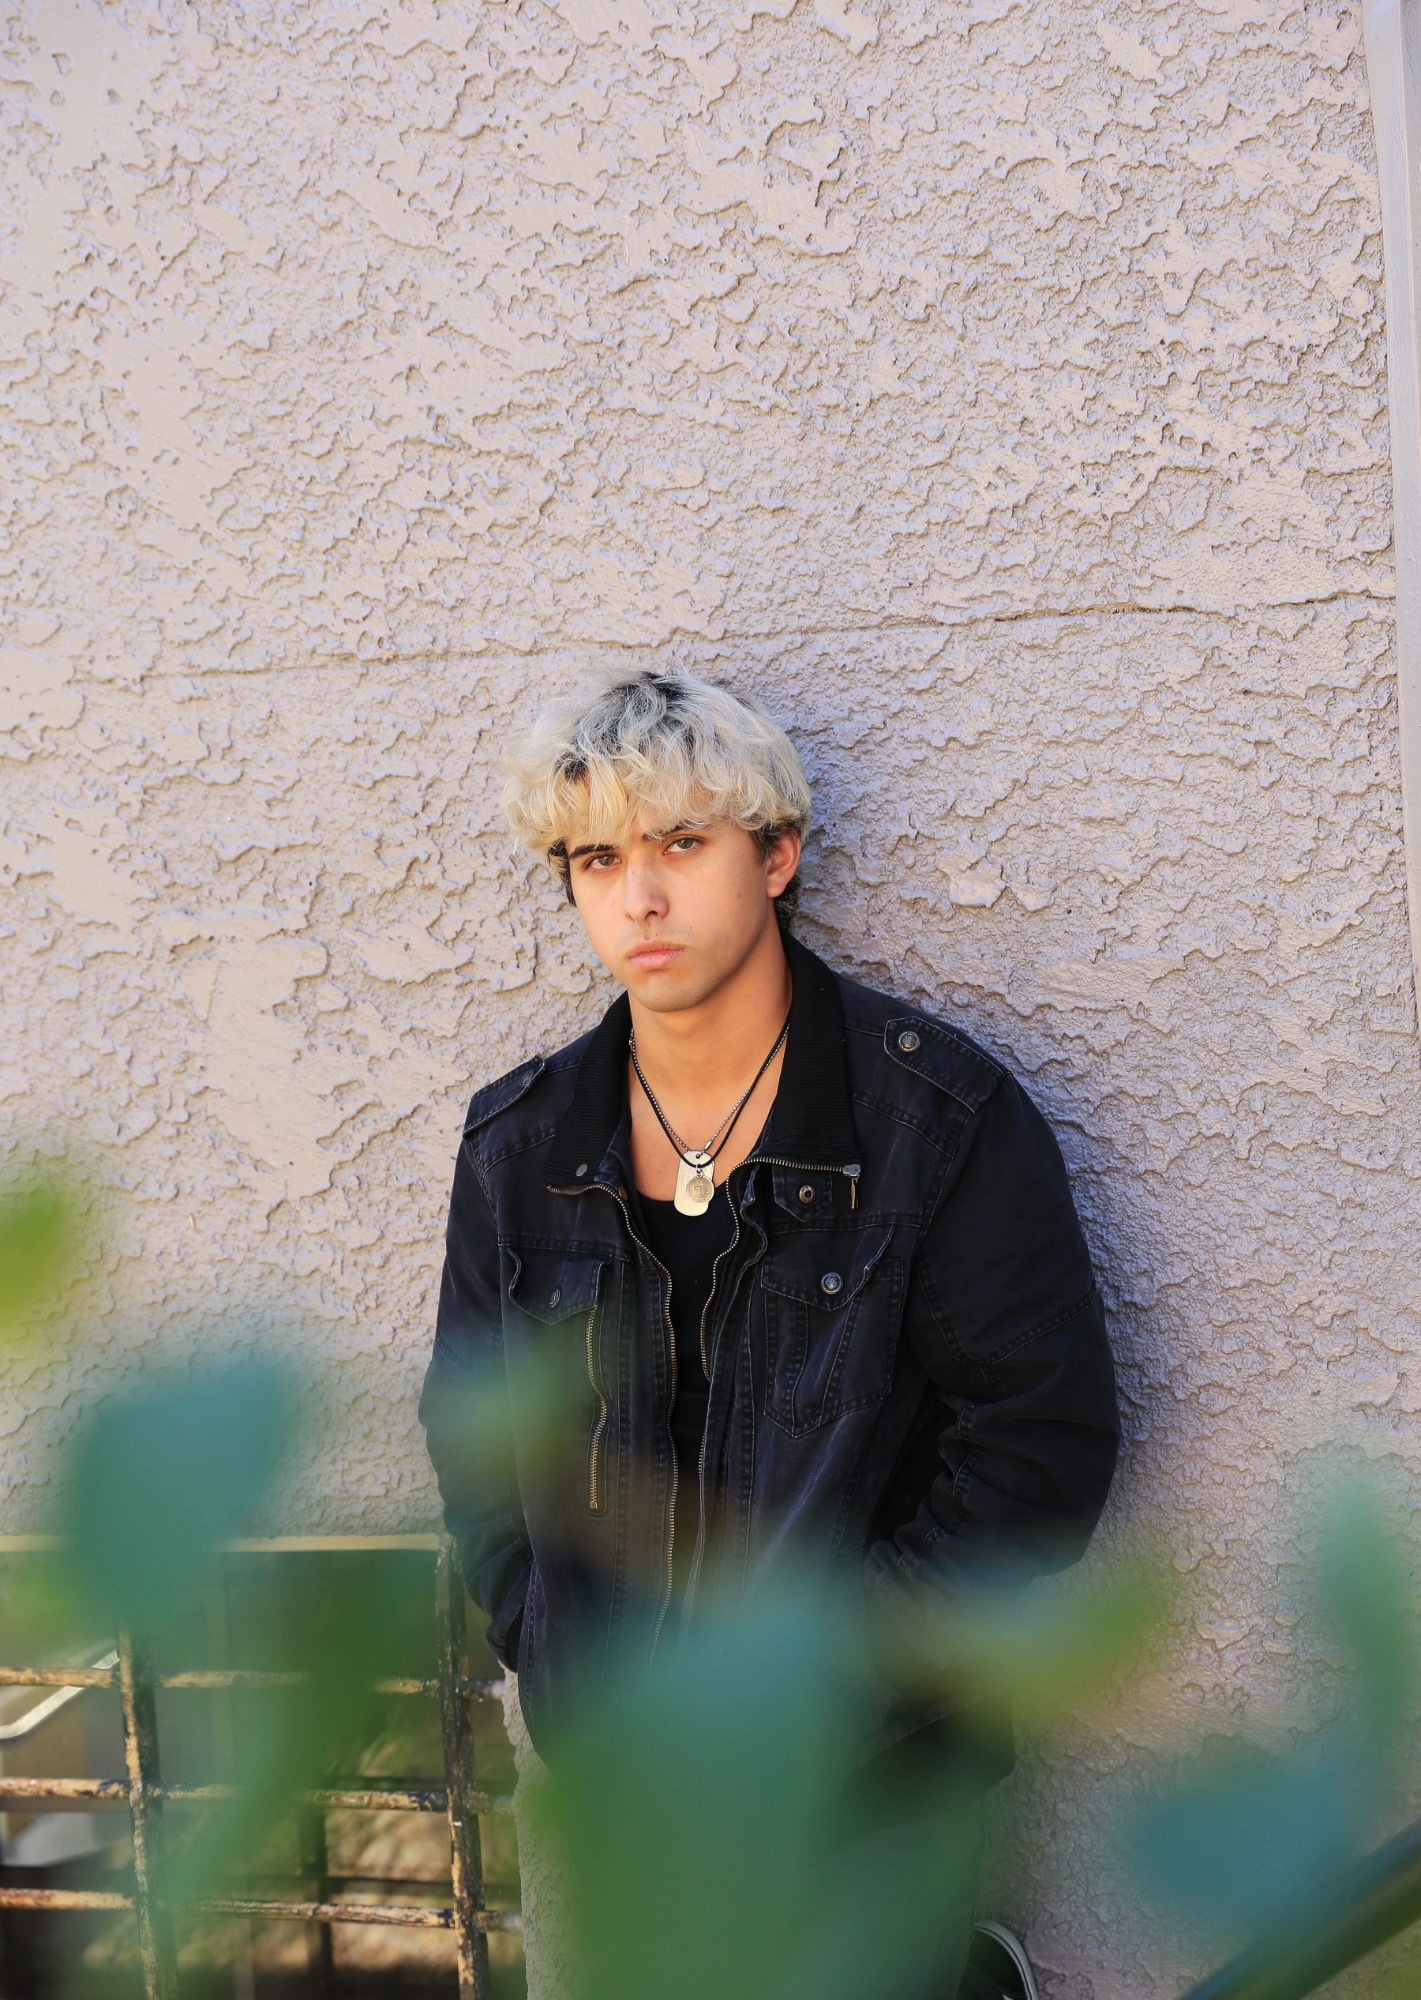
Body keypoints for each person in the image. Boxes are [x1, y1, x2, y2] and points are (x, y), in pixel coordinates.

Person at [420, 671, 1119, 1999]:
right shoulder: (520, 1146)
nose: (639, 897)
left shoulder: (934, 1121)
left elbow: (1038, 1447)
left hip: (874, 1787)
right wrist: (553, 1647)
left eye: (681, 844)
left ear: (778, 854)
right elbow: (475, 1433)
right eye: (597, 859)